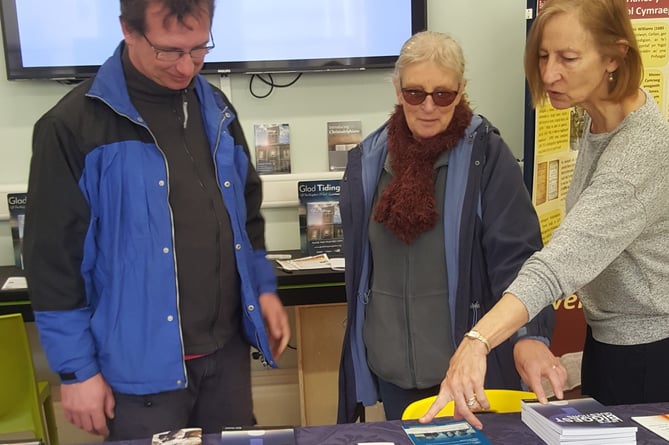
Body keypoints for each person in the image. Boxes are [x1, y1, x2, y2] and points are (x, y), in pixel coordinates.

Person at [23, 0, 290, 440]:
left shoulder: (217, 109)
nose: (187, 67)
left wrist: (262, 291)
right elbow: (53, 263)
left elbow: (246, 212)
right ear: (128, 31)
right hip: (138, 375)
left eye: (199, 48)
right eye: (170, 51)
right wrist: (76, 372)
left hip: (225, 359)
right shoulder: (71, 127)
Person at [421, 0, 669, 430]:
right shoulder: (600, 119)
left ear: (614, 55)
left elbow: (557, 266)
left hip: (648, 353)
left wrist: (477, 341)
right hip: (608, 339)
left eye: (568, 59)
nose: (550, 74)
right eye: (543, 56)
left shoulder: (638, 155)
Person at [336, 31, 557, 422]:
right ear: (397, 89)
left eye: (443, 95)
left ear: (461, 91)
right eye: (415, 93)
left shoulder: (486, 157)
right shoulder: (368, 161)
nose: (428, 106)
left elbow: (519, 258)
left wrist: (531, 336)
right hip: (393, 375)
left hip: (469, 373)